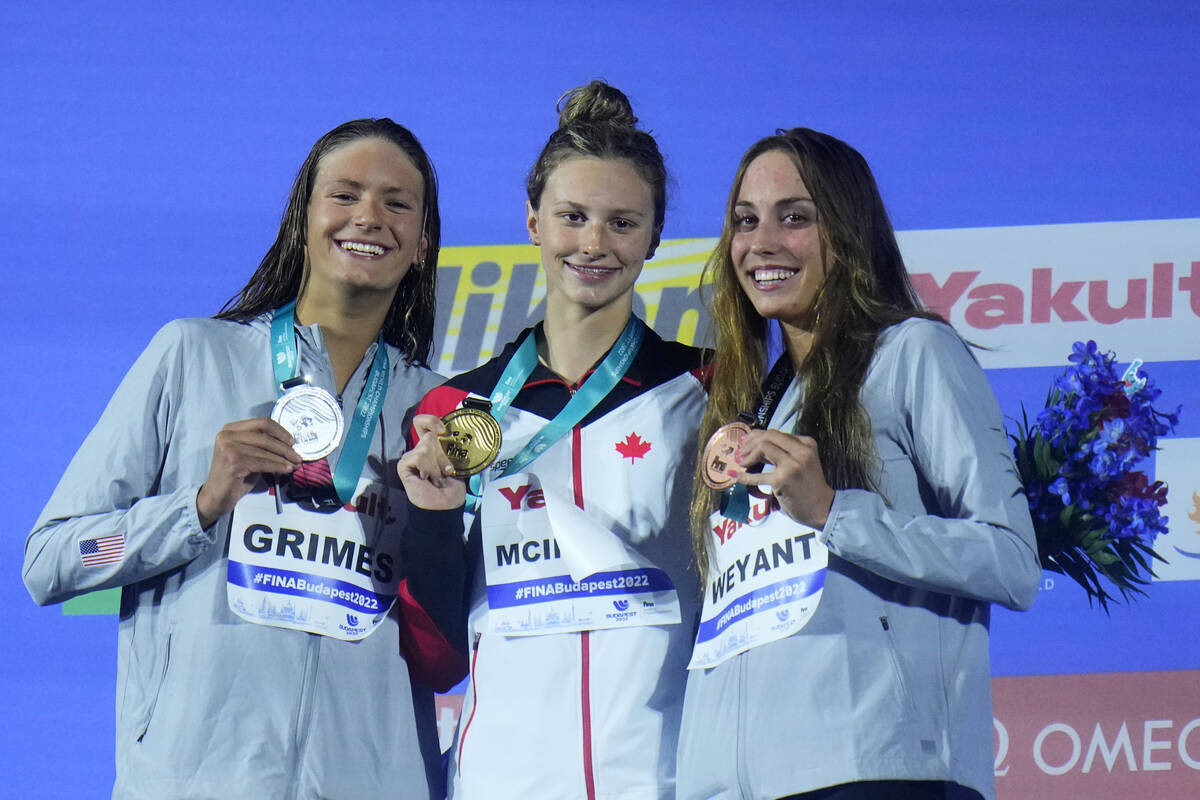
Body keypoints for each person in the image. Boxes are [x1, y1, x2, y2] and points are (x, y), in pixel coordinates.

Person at [23, 119, 464, 800]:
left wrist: (437, 520)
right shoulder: (191, 355)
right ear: (303, 219)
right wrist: (196, 505)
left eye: (397, 203)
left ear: (423, 241)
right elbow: (53, 560)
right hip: (196, 778)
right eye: (344, 196)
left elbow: (455, 636)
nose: (369, 217)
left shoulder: (442, 409)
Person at [676, 128, 1041, 800]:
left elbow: (1013, 561)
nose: (761, 243)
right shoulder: (757, 403)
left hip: (876, 770)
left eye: (795, 217)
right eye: (745, 221)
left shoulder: (913, 353)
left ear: (847, 231)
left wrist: (835, 512)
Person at [397, 81, 707, 799]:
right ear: (532, 220)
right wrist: (435, 520)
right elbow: (437, 654)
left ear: (655, 236)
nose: (594, 243)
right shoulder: (455, 410)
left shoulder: (707, 393)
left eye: (623, 223)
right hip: (503, 779)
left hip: (668, 777)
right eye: (573, 217)